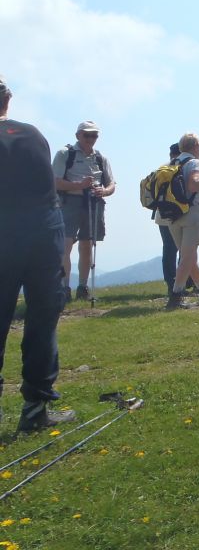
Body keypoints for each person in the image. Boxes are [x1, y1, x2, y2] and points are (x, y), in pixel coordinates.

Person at [0, 77, 77, 431]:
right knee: (43, 317)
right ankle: (35, 409)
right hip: (44, 233)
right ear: (8, 101)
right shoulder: (32, 134)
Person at [52, 121, 116, 302]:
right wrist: (78, 185)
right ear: (78, 135)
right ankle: (64, 287)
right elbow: (55, 181)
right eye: (87, 135)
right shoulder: (65, 154)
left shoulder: (100, 158)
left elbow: (111, 184)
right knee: (66, 244)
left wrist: (103, 191)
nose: (90, 139)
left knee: (87, 244)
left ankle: (82, 286)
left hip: (93, 202)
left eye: (94, 135)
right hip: (69, 202)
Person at [167, 133, 199, 309]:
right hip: (192, 212)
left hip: (172, 214)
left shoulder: (172, 163)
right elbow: (194, 185)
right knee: (188, 256)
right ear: (195, 147)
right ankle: (176, 295)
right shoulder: (194, 163)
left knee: (188, 256)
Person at [159, 142, 182, 294]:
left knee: (169, 249)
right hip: (180, 213)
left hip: (161, 214)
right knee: (185, 248)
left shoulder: (162, 169)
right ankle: (183, 281)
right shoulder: (184, 167)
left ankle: (171, 283)